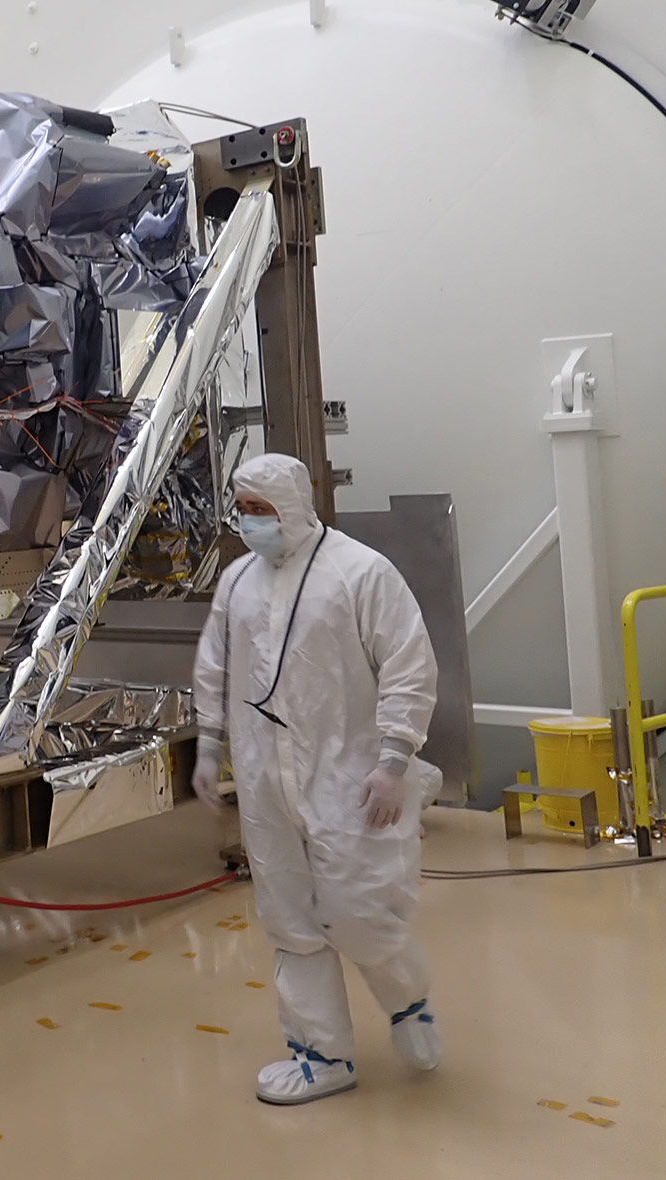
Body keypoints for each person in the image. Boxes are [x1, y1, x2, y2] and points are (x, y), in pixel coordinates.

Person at [190, 453, 444, 1105]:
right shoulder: (239, 581)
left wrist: (394, 759)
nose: (249, 523)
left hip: (349, 774)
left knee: (359, 910)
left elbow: (408, 664)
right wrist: (210, 747)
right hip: (263, 779)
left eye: (261, 510)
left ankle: (407, 1000)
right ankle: (322, 1055)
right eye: (242, 509)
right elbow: (214, 666)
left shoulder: (359, 572)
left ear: (295, 507)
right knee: (288, 918)